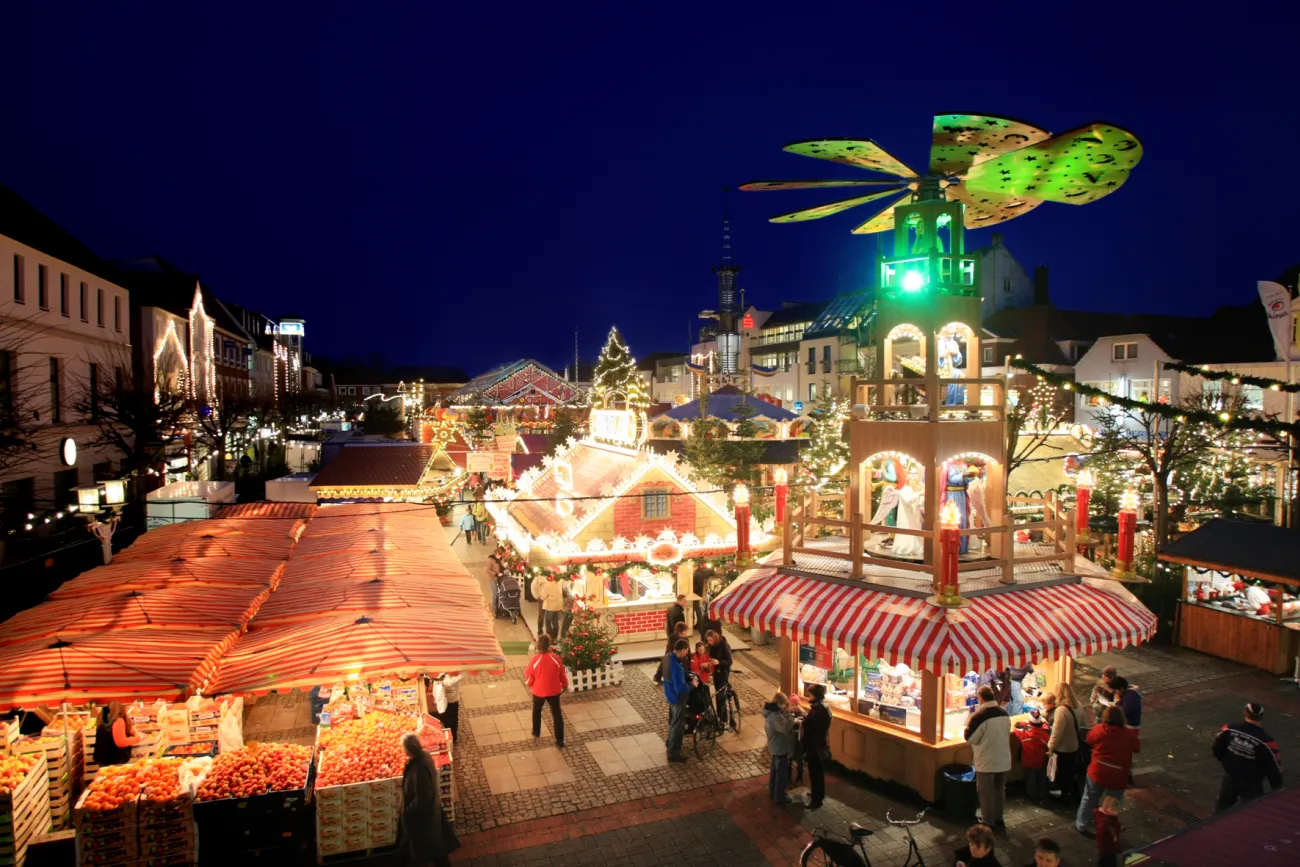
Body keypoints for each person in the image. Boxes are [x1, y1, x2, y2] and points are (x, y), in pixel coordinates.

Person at [1075, 706, 1140, 838]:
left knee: (1089, 798)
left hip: (1097, 771)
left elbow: (1089, 739)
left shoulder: (1099, 730)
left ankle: (1081, 824)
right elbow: (1137, 748)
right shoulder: (1128, 734)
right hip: (1117, 774)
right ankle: (1110, 826)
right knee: (1113, 802)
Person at [1211, 701, 1283, 812]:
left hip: (1230, 775)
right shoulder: (1266, 741)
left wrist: (1225, 760)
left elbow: (1217, 747)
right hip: (1251, 782)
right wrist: (1277, 788)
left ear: (1245, 712)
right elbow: (1274, 767)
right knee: (1249, 811)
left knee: (1223, 807)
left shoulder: (1229, 729)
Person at [400, 733, 458, 867]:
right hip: (428, 814)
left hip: (423, 818)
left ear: (408, 750)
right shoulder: (424, 757)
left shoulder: (419, 769)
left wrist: (408, 811)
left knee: (430, 849)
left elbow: (422, 797)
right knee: (431, 849)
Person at [965, 685, 1011, 829]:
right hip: (1003, 758)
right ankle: (998, 817)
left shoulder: (979, 716)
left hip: (986, 760)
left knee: (985, 791)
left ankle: (987, 821)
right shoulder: (1004, 713)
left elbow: (970, 738)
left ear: (981, 698)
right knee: (999, 789)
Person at [524, 634, 566, 748]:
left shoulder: (535, 660)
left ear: (538, 646)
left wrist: (529, 684)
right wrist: (565, 685)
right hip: (553, 691)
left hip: (539, 691)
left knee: (536, 711)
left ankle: (536, 731)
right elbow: (562, 673)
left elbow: (529, 675)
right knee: (557, 714)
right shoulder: (556, 658)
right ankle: (560, 739)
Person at [1043, 689, 1081, 802]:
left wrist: (1050, 748)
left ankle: (1061, 797)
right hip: (1073, 746)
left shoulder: (1060, 711)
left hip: (1063, 748)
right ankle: (1067, 794)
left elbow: (1056, 733)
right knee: (1068, 773)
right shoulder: (1075, 706)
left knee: (1060, 774)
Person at [801, 683, 832, 810]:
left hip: (815, 746)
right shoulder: (821, 707)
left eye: (810, 694)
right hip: (818, 744)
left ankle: (816, 800)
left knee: (815, 772)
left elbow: (812, 727)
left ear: (815, 695)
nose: (809, 696)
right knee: (817, 772)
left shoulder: (819, 711)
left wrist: (803, 722)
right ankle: (819, 793)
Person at [662, 638, 693, 762]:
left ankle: (670, 743)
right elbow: (680, 688)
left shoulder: (668, 657)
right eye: (686, 651)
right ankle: (674, 752)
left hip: (669, 695)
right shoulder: (675, 664)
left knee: (673, 722)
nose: (686, 654)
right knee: (678, 725)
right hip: (677, 698)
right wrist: (692, 685)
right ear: (683, 650)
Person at [763, 692, 795, 805]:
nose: (786, 707)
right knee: (781, 774)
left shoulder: (770, 713)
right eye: (785, 705)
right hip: (780, 747)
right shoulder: (776, 716)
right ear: (780, 704)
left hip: (774, 746)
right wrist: (791, 717)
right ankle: (780, 796)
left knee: (774, 771)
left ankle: (773, 791)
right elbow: (785, 728)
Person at [1015, 710, 1051, 800]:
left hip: (1029, 760)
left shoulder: (1025, 733)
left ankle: (1031, 793)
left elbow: (1016, 727)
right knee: (1041, 776)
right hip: (1041, 760)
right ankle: (1042, 793)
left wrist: (1025, 724)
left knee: (1032, 776)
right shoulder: (1045, 734)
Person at [93, 701, 140, 767]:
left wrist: (129, 730)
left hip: (103, 757)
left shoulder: (103, 717)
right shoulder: (118, 720)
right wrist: (137, 738)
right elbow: (121, 742)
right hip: (114, 759)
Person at [705, 629, 734, 725]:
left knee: (721, 696)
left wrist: (719, 662)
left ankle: (723, 719)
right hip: (716, 673)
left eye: (710, 640)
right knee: (718, 695)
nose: (709, 643)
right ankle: (720, 717)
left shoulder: (724, 646)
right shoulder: (712, 646)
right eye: (708, 640)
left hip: (723, 673)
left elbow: (729, 661)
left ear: (715, 638)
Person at [432, 673, 463, 745]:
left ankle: (453, 736)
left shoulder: (456, 670)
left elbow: (459, 676)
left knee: (452, 718)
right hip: (441, 698)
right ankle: (446, 733)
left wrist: (443, 683)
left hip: (452, 698)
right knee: (443, 717)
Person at [1094, 794, 1124, 867]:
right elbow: (1100, 835)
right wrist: (1112, 836)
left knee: (1105, 861)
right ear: (1110, 809)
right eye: (1116, 810)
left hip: (1109, 846)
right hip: (1107, 847)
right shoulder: (1104, 823)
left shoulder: (1110, 817)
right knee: (1107, 861)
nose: (1118, 812)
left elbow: (1115, 823)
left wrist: (1119, 827)